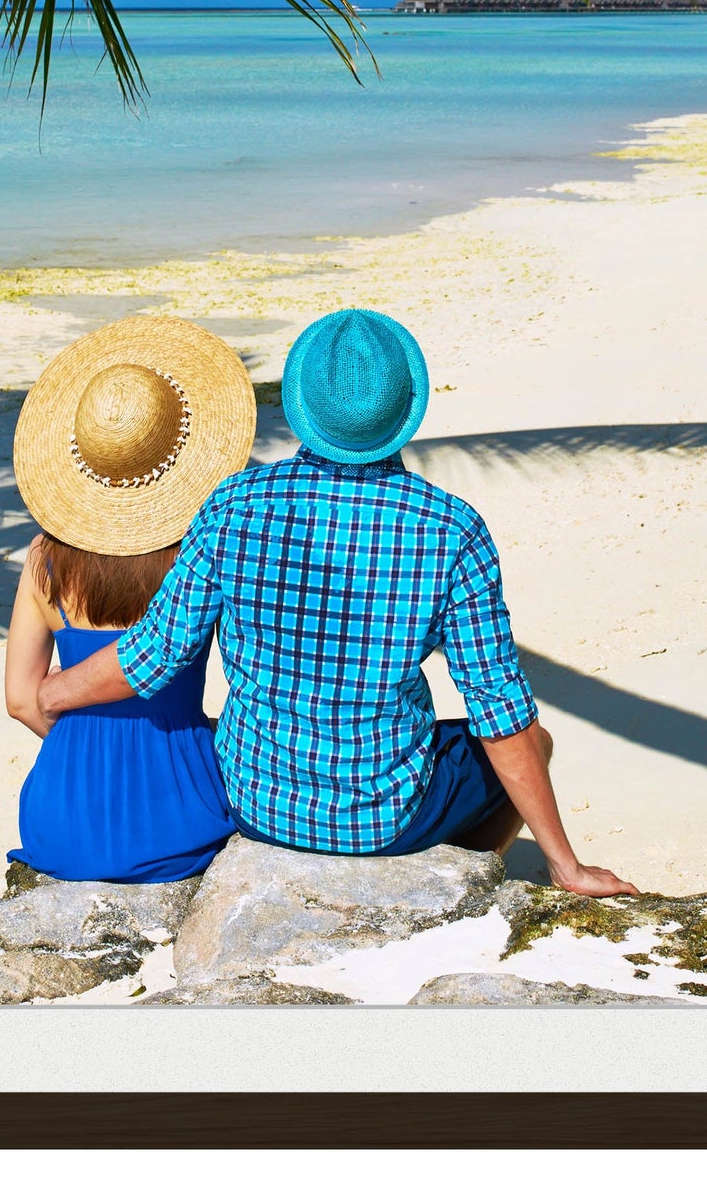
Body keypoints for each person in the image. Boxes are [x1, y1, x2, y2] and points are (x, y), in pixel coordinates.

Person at [34, 308, 637, 898]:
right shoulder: (452, 529)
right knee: (537, 744)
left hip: (256, 801)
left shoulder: (233, 504)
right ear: (405, 412)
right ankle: (465, 880)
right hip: (384, 818)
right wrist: (566, 864)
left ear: (302, 411)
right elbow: (499, 711)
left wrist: (52, 693)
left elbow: (154, 653)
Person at [2, 315, 258, 883]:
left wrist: (86, 745)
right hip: (180, 810)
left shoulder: (45, 560)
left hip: (60, 818)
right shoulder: (199, 551)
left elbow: (22, 701)